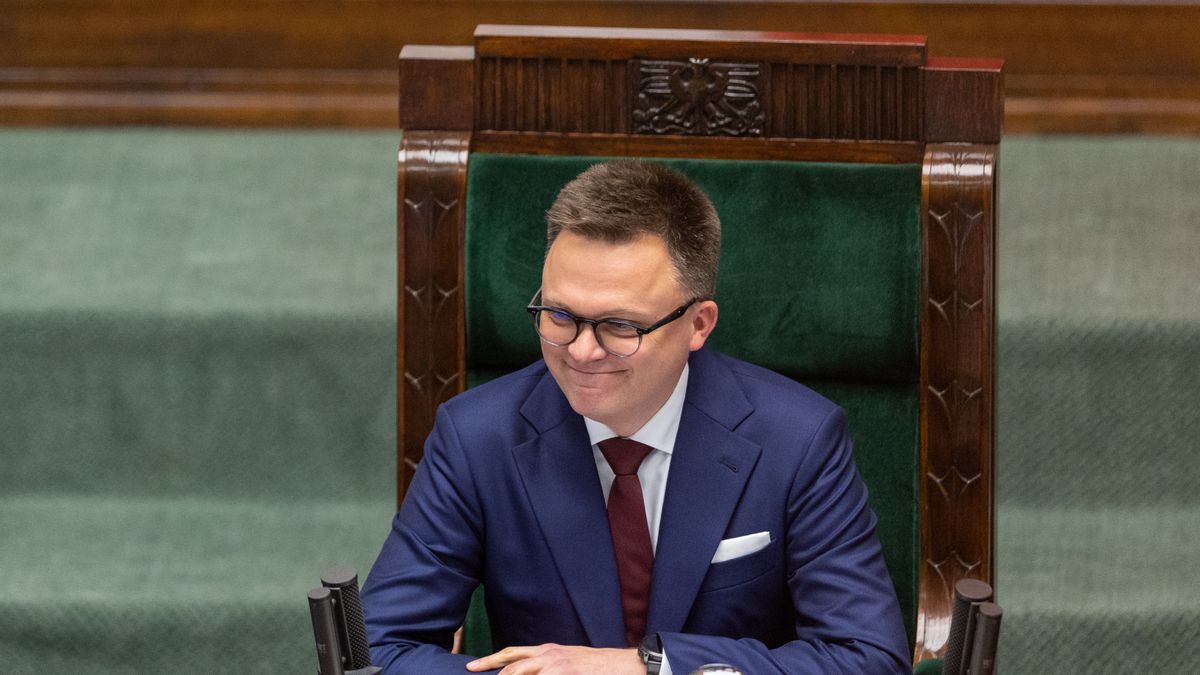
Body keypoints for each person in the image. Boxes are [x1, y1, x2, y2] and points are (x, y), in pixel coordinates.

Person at [361, 160, 910, 674]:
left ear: (699, 324)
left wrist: (651, 665)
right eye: (559, 316)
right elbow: (377, 649)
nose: (581, 351)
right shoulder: (475, 437)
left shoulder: (799, 439)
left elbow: (868, 657)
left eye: (620, 326)